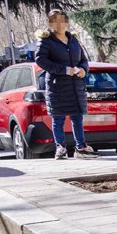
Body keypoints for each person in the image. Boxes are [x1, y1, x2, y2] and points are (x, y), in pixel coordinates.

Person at [34, 10, 98, 159]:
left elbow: (83, 59)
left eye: (62, 20)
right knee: (58, 118)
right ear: (50, 23)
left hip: (76, 85)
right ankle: (60, 148)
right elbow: (41, 60)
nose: (59, 24)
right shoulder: (46, 41)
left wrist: (83, 69)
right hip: (57, 87)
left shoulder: (74, 40)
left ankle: (81, 148)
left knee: (77, 117)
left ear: (67, 22)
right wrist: (63, 70)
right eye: (55, 21)